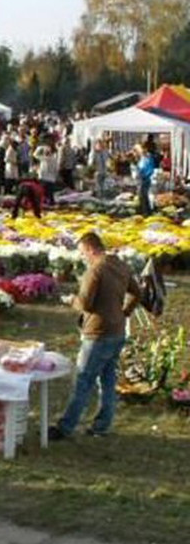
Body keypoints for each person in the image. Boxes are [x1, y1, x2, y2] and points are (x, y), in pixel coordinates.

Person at [50, 232, 142, 440]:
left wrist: (70, 299)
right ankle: (102, 426)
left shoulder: (95, 270)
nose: (83, 257)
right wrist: (125, 312)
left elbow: (85, 304)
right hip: (118, 330)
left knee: (84, 380)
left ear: (91, 248)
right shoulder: (121, 265)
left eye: (83, 253)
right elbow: (138, 293)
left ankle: (66, 427)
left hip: (97, 332)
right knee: (108, 380)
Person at [136, 141, 157, 215]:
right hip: (142, 179)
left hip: (145, 179)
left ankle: (146, 212)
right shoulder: (143, 157)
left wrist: (144, 175)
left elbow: (150, 168)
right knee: (142, 196)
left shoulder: (148, 157)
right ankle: (145, 211)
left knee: (144, 196)